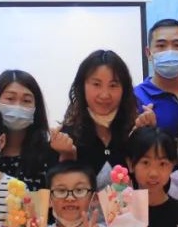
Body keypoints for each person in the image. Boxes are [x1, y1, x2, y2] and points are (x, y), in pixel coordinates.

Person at [52, 50, 142, 188]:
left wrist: (149, 137)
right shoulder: (66, 137)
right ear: (82, 87)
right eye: (96, 84)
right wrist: (67, 156)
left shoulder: (135, 132)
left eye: (113, 85)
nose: (105, 95)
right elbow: (55, 192)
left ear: (124, 90)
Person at [0, 70, 57, 191]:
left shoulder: (48, 154)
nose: (18, 106)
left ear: (36, 108)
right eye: (10, 98)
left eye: (26, 101)